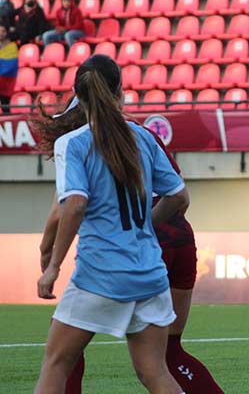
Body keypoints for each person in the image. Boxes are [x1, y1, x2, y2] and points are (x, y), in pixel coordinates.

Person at [34, 97, 224, 393]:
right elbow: (178, 195)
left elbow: (66, 208)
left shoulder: (84, 141)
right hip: (179, 237)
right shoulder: (142, 133)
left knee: (62, 355)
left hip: (131, 250)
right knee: (168, 355)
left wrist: (48, 253)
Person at [0, 24, 18, 114]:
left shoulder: (12, 47)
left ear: (6, 33)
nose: (1, 33)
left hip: (6, 81)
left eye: (3, 31)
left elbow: (11, 65)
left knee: (5, 104)